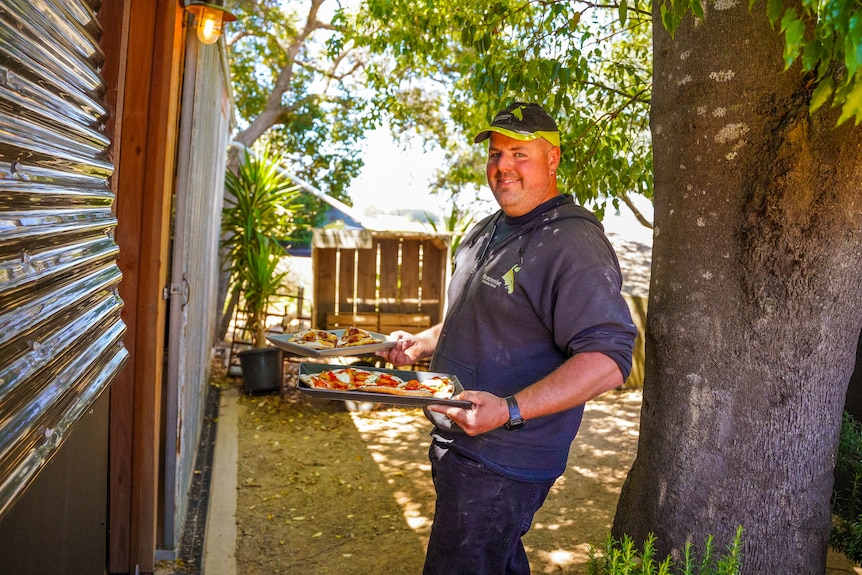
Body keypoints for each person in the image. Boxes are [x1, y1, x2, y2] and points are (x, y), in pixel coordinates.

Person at [377, 101, 637, 575]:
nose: (503, 167)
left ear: (553, 159)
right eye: (496, 154)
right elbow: (477, 316)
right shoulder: (488, 229)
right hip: (460, 444)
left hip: (504, 459)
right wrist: (421, 343)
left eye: (520, 154)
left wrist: (510, 409)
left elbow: (608, 358)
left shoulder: (571, 242)